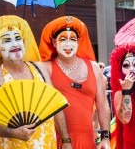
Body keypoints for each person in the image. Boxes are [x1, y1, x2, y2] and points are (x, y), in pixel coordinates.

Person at [0, 15, 72, 149]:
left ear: (24, 43)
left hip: (48, 144)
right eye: (7, 40)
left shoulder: (40, 69)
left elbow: (56, 106)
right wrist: (14, 132)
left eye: (18, 39)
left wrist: (66, 140)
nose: (14, 44)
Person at [39, 16, 111, 149]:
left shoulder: (94, 67)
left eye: (72, 39)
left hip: (87, 142)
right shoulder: (45, 68)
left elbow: (103, 105)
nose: (68, 44)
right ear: (54, 43)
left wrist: (105, 138)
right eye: (63, 39)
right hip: (56, 142)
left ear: (78, 41)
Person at [110, 43, 135, 149]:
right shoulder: (120, 93)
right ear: (121, 70)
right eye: (126, 65)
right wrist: (126, 91)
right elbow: (125, 118)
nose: (131, 69)